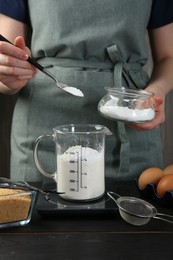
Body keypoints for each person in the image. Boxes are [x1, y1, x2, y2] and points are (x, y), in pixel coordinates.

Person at [0, 0, 173, 182]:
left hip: (131, 135)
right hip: (43, 138)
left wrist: (156, 92)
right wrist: (10, 73)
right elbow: (7, 62)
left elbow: (168, 57)